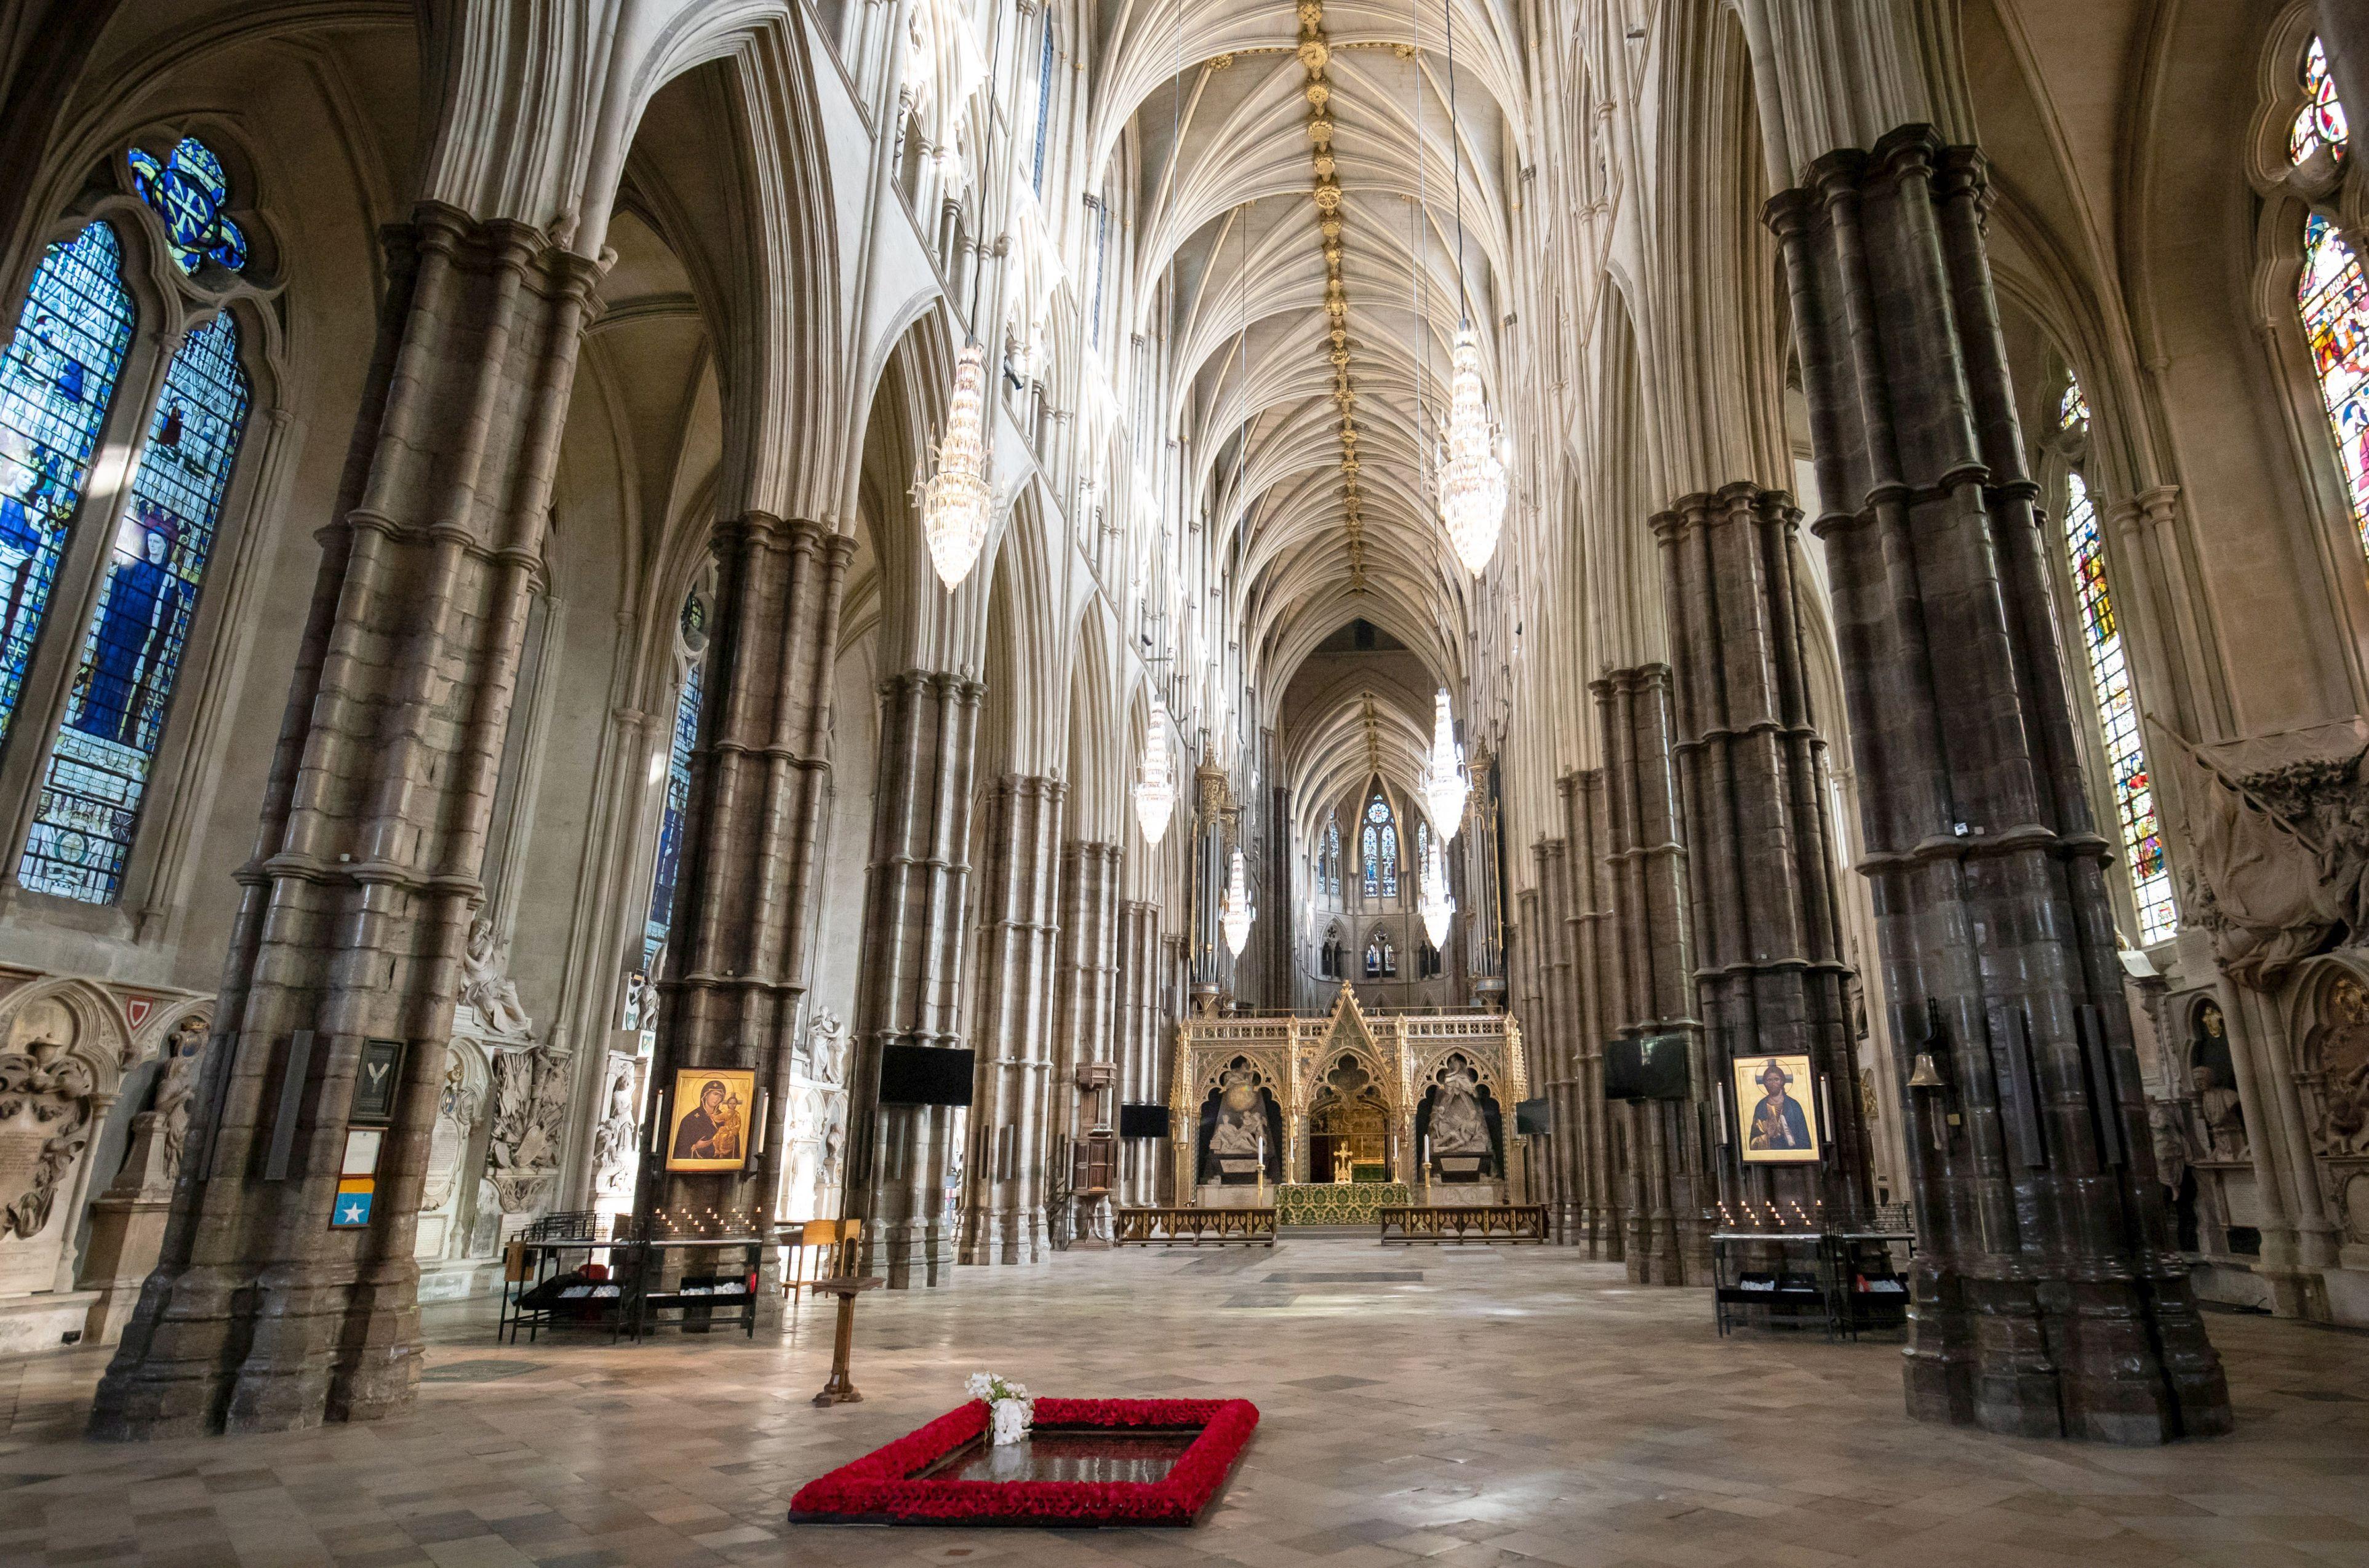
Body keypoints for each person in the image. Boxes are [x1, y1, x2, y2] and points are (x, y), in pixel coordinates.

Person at [1747, 1059, 1813, 1153]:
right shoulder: (1761, 1107)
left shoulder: (1794, 1106)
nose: (1773, 1083)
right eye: (1769, 1080)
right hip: (1769, 1155)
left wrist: (1791, 1138)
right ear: (1765, 1083)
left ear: (1782, 1081)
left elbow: (1805, 1140)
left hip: (1792, 1154)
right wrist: (1767, 1136)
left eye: (1776, 1079)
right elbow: (1753, 1143)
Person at [673, 1078, 742, 1162]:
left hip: (719, 1168)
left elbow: (735, 1145)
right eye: (715, 1094)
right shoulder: (690, 1119)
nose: (717, 1098)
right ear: (705, 1095)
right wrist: (696, 1146)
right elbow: (681, 1151)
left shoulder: (726, 1118)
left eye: (721, 1096)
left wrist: (730, 1140)